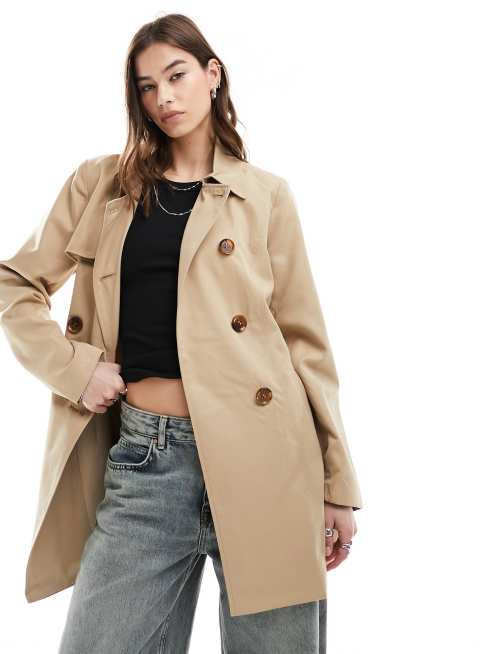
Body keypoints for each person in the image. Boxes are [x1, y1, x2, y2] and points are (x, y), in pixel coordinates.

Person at [0, 13, 363, 654]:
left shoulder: (265, 196)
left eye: (176, 76)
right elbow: (14, 284)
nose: (163, 98)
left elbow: (306, 346)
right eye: (147, 87)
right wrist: (75, 369)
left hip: (267, 461)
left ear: (212, 74)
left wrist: (337, 486)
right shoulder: (101, 185)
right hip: (147, 462)